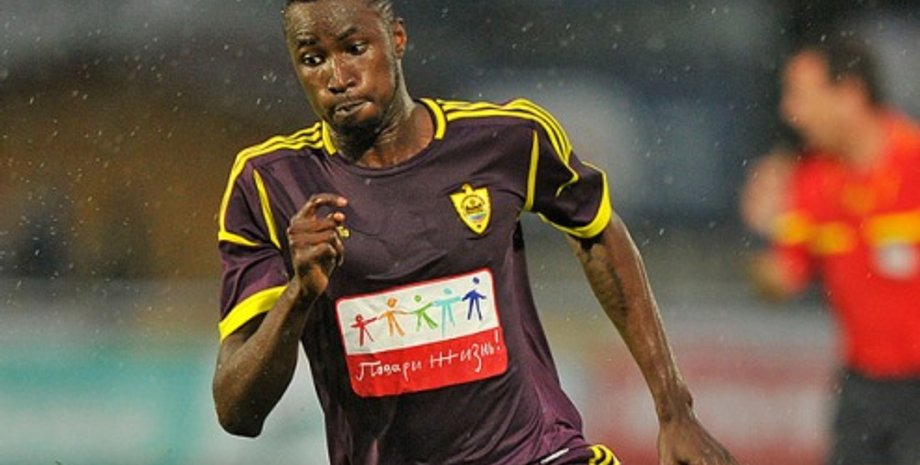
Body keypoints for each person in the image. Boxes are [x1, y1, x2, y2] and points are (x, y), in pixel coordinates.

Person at [212, 1, 740, 464]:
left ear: (397, 38)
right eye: (313, 59)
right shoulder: (270, 185)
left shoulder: (503, 141)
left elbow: (596, 231)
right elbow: (237, 411)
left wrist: (674, 410)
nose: (337, 76)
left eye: (355, 48)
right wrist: (299, 295)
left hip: (537, 453)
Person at [739, 34, 920, 465]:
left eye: (801, 95)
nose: (790, 112)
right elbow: (779, 281)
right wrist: (760, 230)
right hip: (863, 391)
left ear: (850, 95)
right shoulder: (811, 180)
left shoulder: (914, 163)